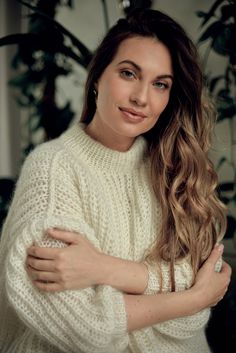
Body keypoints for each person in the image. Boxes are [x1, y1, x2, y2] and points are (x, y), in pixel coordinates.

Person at [0, 8, 232, 353]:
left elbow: (200, 286)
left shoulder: (173, 169)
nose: (141, 97)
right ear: (97, 78)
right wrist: (190, 297)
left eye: (160, 84)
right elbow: (80, 326)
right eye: (128, 73)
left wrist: (104, 269)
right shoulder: (52, 170)